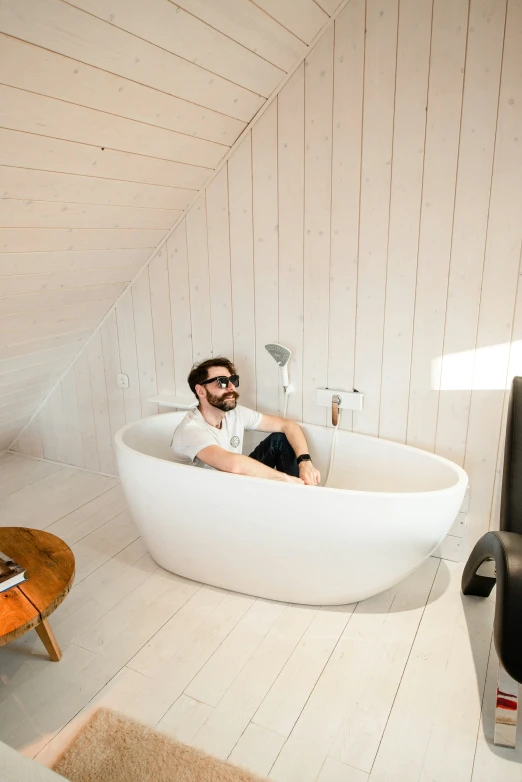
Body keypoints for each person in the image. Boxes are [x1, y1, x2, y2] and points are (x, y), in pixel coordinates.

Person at [170, 357, 321, 486]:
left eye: (233, 381)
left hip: (234, 483)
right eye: (222, 382)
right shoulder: (191, 430)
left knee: (279, 440)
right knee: (279, 479)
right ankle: (293, 497)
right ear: (201, 391)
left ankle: (296, 499)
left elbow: (288, 425)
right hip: (209, 495)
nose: (231, 387)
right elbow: (234, 464)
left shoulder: (235, 414)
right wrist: (285, 479)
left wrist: (305, 462)